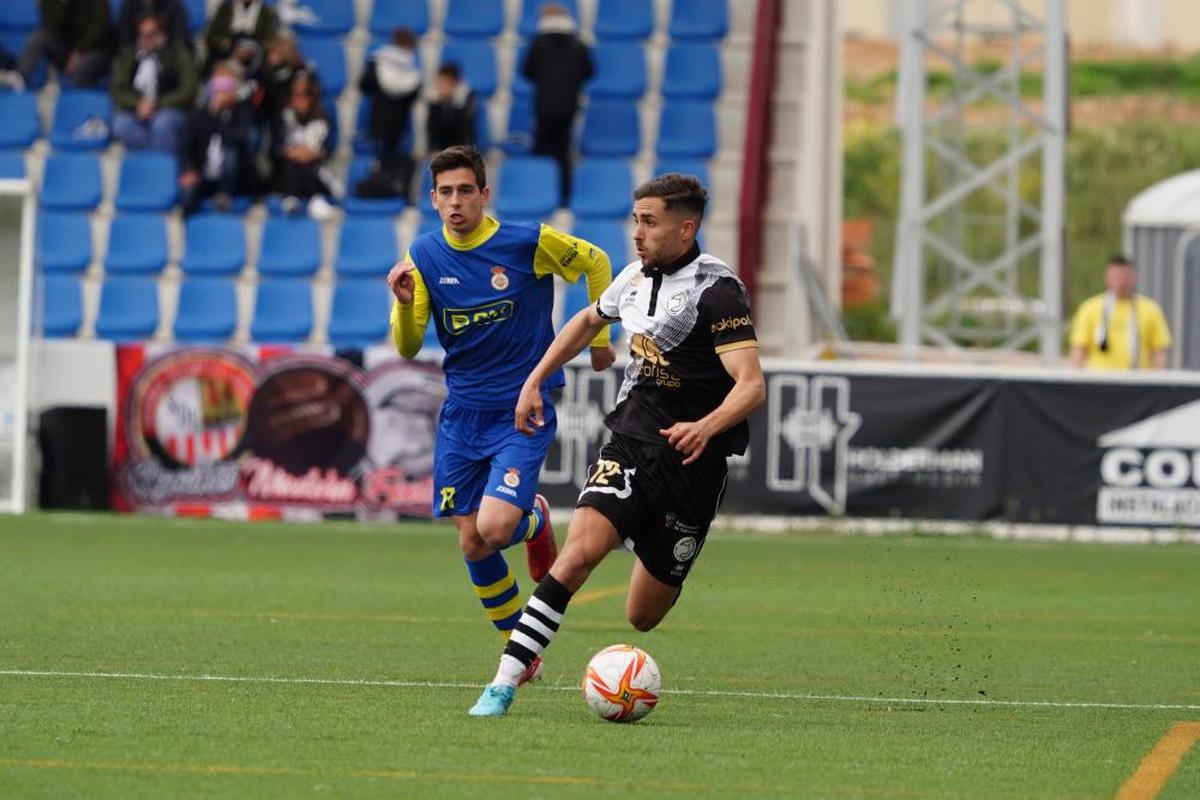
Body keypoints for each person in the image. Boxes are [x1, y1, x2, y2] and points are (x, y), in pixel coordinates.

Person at [467, 173, 766, 717]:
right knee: (578, 555)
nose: (638, 233)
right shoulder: (632, 277)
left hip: (693, 464)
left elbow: (751, 385)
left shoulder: (718, 292)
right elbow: (586, 321)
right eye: (636, 220)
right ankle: (503, 682)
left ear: (686, 228)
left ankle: (641, 533)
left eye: (650, 222)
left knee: (641, 617)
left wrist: (706, 425)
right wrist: (534, 379)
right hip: (630, 443)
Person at [385, 145, 616, 677]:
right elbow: (407, 345)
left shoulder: (526, 242)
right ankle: (524, 653)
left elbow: (597, 262)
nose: (456, 201)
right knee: (471, 543)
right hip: (462, 415)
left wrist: (603, 340)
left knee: (492, 526)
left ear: (484, 195)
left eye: (466, 190)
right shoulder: (423, 256)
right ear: (433, 200)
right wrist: (402, 304)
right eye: (445, 192)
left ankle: (530, 519)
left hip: (521, 407)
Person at [521, 2, 593, 207]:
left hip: (544, 106)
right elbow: (589, 71)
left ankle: (536, 194)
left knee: (540, 151)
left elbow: (527, 70)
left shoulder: (539, 43)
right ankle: (563, 198)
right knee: (563, 153)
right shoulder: (577, 43)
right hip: (568, 106)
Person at [178, 61, 261, 214]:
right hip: (203, 174)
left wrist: (220, 116)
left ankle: (224, 197)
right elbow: (186, 146)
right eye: (217, 86)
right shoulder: (200, 115)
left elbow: (236, 140)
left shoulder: (243, 113)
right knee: (186, 197)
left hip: (233, 180)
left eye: (226, 86)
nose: (220, 92)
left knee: (229, 152)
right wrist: (188, 170)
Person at [111, 13, 197, 153]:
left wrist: (157, 104)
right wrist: (137, 104)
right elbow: (118, 89)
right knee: (120, 126)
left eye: (151, 34)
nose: (146, 39)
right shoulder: (129, 55)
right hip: (138, 109)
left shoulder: (178, 54)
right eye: (142, 34)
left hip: (170, 108)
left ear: (162, 34)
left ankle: (164, 164)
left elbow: (188, 89)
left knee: (162, 124)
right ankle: (150, 160)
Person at [1068, 255, 1171, 370]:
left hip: (1139, 379)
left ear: (1134, 278)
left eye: (1125, 277)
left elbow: (1159, 351)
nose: (1121, 282)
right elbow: (1079, 350)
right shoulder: (1089, 308)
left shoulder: (1151, 309)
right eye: (1116, 277)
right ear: (1106, 278)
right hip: (1099, 379)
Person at [272, 73, 334, 220]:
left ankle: (308, 198)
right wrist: (291, 152)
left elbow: (329, 149)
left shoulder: (323, 121)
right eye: (295, 95)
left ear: (312, 98)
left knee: (307, 164)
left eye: (303, 95)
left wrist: (314, 153)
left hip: (316, 171)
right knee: (292, 163)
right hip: (288, 172)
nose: (298, 100)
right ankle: (303, 199)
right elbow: (275, 146)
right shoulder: (283, 120)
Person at [18, 0, 115, 89]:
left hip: (95, 50)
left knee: (84, 66)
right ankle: (19, 78)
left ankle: (76, 100)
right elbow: (51, 28)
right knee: (39, 38)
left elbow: (100, 27)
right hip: (67, 51)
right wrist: (62, 3)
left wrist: (79, 50)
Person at [358, 27, 421, 158]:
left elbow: (363, 86)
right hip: (397, 129)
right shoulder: (413, 73)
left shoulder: (375, 63)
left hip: (382, 126)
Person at [203, 0, 279, 74]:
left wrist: (252, 49)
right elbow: (212, 37)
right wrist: (227, 45)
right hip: (225, 53)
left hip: (255, 56)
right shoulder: (225, 9)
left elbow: (269, 39)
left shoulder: (266, 12)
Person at [425, 64, 476, 153]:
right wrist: (434, 149)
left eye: (443, 82)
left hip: (462, 149)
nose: (439, 86)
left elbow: (466, 132)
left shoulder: (467, 101)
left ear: (454, 83)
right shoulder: (435, 103)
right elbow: (432, 130)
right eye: (438, 81)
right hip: (442, 150)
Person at [115, 0, 192, 52]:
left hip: (167, 57)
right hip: (137, 56)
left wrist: (162, 42)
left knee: (182, 55)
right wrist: (139, 44)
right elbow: (125, 41)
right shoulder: (129, 5)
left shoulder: (173, 5)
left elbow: (180, 39)